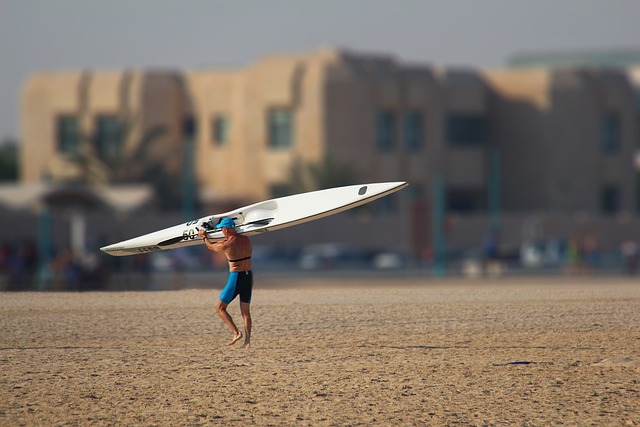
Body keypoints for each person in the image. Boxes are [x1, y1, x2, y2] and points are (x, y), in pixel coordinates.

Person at [198, 217, 253, 348]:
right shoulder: (245, 239)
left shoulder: (227, 244)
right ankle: (247, 341)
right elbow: (228, 240)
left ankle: (236, 332)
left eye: (222, 229)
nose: (221, 231)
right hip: (248, 276)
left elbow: (212, 247)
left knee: (220, 308)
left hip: (236, 277)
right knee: (245, 312)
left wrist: (204, 237)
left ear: (227, 229)